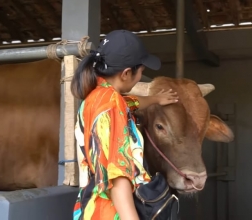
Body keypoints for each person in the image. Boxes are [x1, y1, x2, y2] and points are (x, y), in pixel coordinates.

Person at [70, 29, 179, 220]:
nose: (140, 76)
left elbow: (130, 102)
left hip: (92, 205)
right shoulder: (112, 105)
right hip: (113, 212)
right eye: (141, 72)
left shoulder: (96, 97)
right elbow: (118, 178)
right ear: (127, 73)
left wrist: (155, 99)